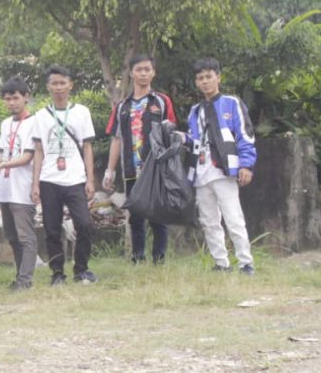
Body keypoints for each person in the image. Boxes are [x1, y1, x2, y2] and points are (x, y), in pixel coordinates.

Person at [186, 58, 258, 275]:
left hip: (224, 170)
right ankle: (221, 263)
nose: (205, 82)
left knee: (233, 217)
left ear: (218, 77)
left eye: (209, 77)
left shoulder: (232, 103)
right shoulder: (195, 111)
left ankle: (245, 263)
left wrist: (246, 165)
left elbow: (245, 135)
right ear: (196, 82)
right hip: (201, 171)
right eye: (200, 78)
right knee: (208, 220)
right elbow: (193, 140)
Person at [103, 55, 177, 264]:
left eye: (147, 69)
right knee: (135, 217)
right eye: (139, 69)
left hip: (155, 169)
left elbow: (171, 133)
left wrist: (170, 167)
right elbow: (116, 139)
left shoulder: (162, 101)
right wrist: (110, 171)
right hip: (130, 170)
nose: (143, 73)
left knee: (158, 216)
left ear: (153, 73)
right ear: (131, 73)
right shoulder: (122, 106)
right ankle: (138, 259)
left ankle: (159, 260)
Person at [30, 66, 98, 285]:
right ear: (48, 87)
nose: (58, 88)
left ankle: (82, 269)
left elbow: (87, 147)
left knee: (84, 224)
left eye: (62, 83)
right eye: (54, 84)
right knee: (51, 229)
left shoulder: (81, 112)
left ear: (70, 85)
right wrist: (35, 184)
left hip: (75, 179)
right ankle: (57, 273)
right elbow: (38, 150)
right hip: (49, 179)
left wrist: (90, 179)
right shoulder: (40, 116)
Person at [0, 78, 37, 290]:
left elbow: (27, 157)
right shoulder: (6, 124)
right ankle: (20, 277)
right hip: (5, 188)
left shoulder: (35, 122)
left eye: (15, 98)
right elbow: (5, 153)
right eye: (7, 99)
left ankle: (25, 280)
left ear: (26, 97)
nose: (12, 103)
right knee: (13, 237)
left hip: (23, 188)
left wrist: (2, 163)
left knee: (26, 236)